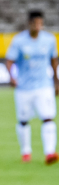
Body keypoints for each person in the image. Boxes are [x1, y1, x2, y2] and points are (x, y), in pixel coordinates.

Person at [6, 10, 59, 164]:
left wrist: (56, 81)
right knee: (23, 120)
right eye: (36, 23)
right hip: (24, 88)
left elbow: (53, 60)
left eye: (40, 23)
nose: (38, 26)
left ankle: (50, 152)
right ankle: (26, 152)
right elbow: (9, 60)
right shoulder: (19, 41)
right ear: (29, 23)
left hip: (44, 86)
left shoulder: (49, 40)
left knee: (48, 118)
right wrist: (11, 76)